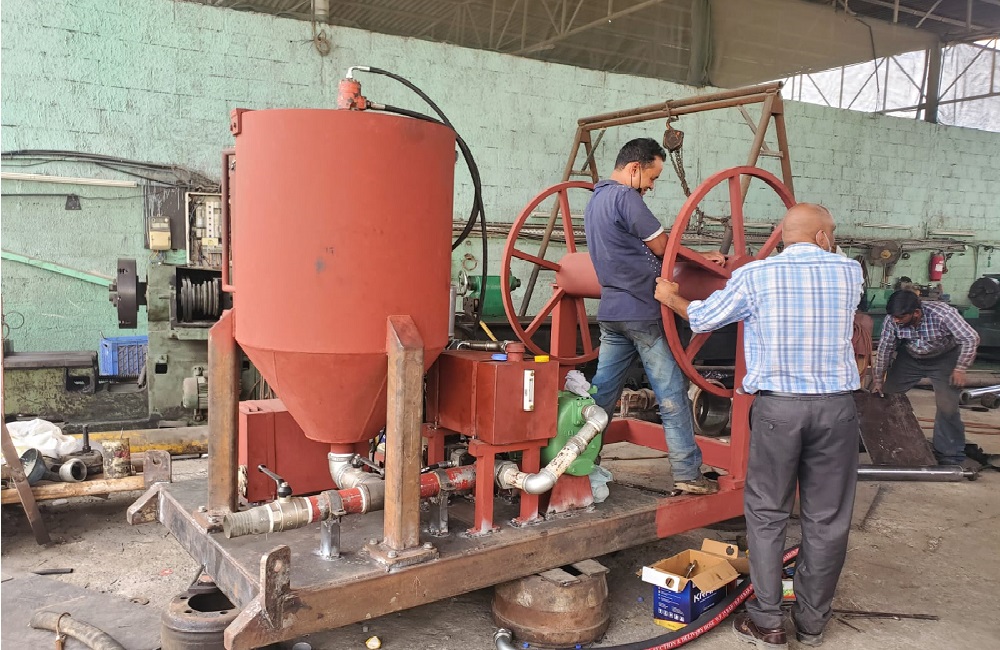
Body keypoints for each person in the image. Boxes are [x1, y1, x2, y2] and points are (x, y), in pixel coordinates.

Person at [655, 203, 863, 648]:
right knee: (827, 520)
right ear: (823, 237)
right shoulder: (850, 272)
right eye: (832, 233)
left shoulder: (756, 275)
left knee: (768, 515)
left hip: (778, 410)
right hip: (837, 410)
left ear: (783, 236)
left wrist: (670, 296)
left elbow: (703, 317)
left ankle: (767, 621)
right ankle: (812, 624)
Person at [584, 137, 724, 495]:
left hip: (611, 313)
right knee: (672, 394)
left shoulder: (595, 200)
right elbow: (662, 246)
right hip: (644, 313)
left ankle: (581, 464)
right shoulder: (625, 197)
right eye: (651, 177)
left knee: (601, 396)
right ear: (634, 168)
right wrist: (703, 260)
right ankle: (687, 473)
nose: (650, 186)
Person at [872, 290, 980, 467]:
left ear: (916, 312)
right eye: (893, 317)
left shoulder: (943, 314)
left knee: (947, 406)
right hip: (910, 358)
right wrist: (878, 380)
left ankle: (950, 454)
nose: (896, 321)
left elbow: (970, 338)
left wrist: (960, 368)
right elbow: (885, 349)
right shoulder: (892, 320)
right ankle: (884, 444)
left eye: (900, 317)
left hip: (944, 358)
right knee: (886, 397)